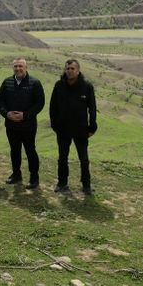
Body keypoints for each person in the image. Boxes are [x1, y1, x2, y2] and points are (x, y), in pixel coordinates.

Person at [49, 59, 98, 195]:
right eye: (68, 68)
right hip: (63, 129)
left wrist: (92, 127)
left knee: (84, 159)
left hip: (81, 129)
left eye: (72, 68)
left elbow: (92, 108)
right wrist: (54, 125)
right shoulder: (59, 85)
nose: (70, 71)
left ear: (78, 70)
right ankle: (62, 183)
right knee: (62, 158)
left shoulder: (86, 86)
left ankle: (86, 185)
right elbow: (53, 107)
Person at [0, 57, 45, 189]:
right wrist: (6, 113)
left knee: (30, 151)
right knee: (14, 150)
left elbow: (40, 103)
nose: (18, 69)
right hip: (11, 125)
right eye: (15, 66)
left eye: (20, 66)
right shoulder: (7, 82)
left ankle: (34, 178)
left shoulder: (35, 83)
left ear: (26, 67)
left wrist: (25, 115)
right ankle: (16, 174)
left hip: (28, 125)